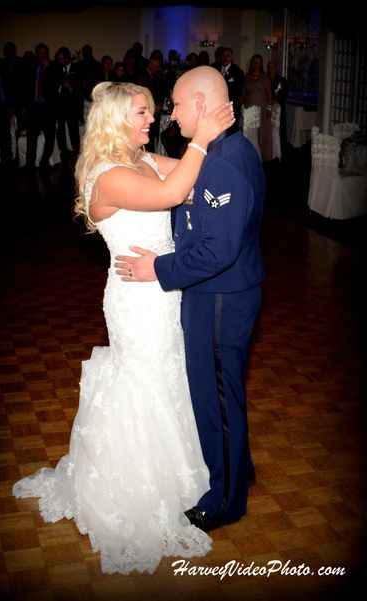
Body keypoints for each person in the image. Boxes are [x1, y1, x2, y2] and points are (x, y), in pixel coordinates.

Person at [12, 81, 234, 574]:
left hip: (166, 290)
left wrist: (219, 146)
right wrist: (203, 136)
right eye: (141, 113)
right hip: (137, 300)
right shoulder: (107, 174)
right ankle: (135, 486)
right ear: (114, 118)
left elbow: (197, 178)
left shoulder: (143, 159)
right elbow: (174, 192)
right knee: (146, 379)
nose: (151, 120)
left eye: (153, 112)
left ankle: (186, 475)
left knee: (173, 375)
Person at [115, 66, 265, 532]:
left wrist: (157, 268)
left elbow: (217, 251)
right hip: (227, 294)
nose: (170, 113)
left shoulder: (222, 160)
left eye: (176, 104)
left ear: (201, 104)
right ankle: (239, 470)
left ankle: (224, 500)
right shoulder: (224, 149)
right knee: (225, 394)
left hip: (219, 297)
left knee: (215, 397)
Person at [241, 54, 273, 161]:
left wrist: (269, 109)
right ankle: (251, 155)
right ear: (251, 63)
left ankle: (263, 157)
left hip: (262, 110)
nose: (256, 64)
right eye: (254, 62)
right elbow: (243, 94)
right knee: (250, 133)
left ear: (261, 64)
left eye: (258, 62)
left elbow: (270, 95)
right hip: (249, 110)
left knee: (262, 133)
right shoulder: (246, 77)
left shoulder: (265, 78)